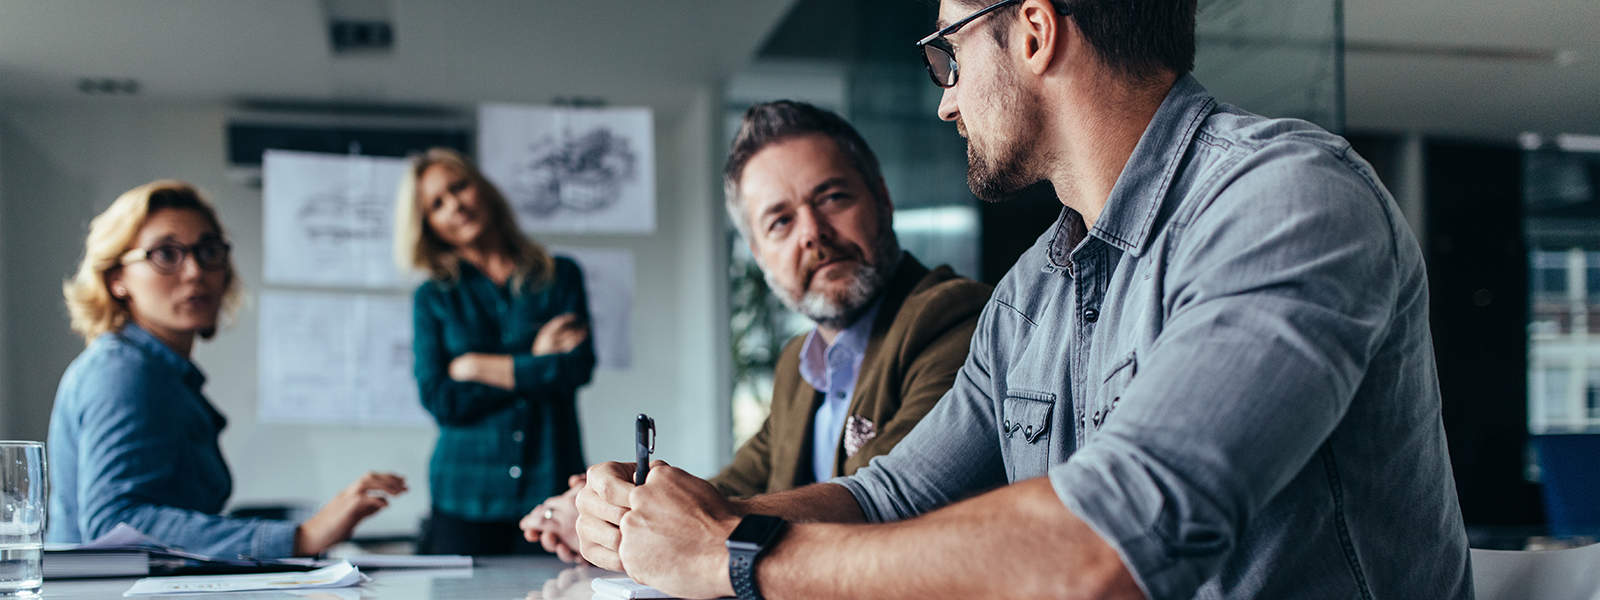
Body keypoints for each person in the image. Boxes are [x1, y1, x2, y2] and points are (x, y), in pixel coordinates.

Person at [573, 1, 1472, 598]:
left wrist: (737, 559)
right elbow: (887, 497)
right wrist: (674, 518)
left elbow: (1105, 546)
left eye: (948, 54)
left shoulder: (1287, 200)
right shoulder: (1033, 291)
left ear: (1034, 29)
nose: (944, 101)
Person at [518, 101, 993, 562]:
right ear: (759, 253)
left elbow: (890, 501)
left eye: (832, 198)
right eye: (780, 221)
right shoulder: (798, 362)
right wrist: (616, 510)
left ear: (882, 199)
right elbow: (735, 486)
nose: (812, 232)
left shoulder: (951, 318)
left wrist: (665, 524)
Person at [48, 180, 406, 558]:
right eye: (166, 254)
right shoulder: (122, 372)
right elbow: (114, 523)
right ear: (116, 278)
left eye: (209, 251)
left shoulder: (164, 375)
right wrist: (300, 537)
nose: (195, 272)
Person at [395, 148, 596, 555]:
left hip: (551, 486)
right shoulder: (433, 297)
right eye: (436, 203)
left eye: (459, 187)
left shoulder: (560, 276)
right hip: (463, 495)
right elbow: (441, 398)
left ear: (482, 188)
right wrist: (535, 360)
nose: (454, 204)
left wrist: (474, 366)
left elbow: (576, 367)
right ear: (427, 224)